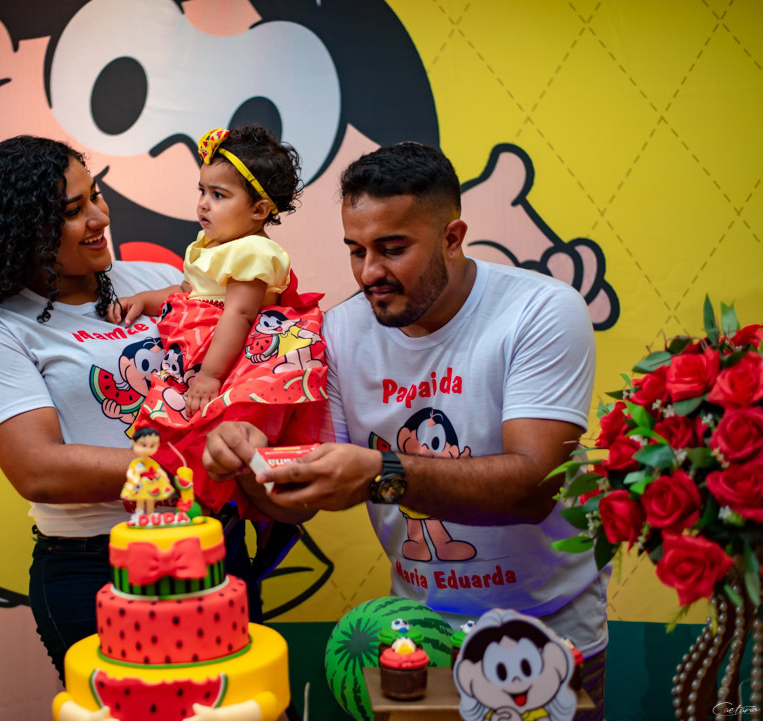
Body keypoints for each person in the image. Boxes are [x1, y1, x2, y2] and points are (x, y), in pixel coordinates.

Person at [203, 142, 609, 718]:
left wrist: (382, 473)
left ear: (452, 237)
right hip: (414, 633)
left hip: (548, 629)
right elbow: (300, 504)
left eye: (392, 249)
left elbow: (533, 487)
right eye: (356, 250)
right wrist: (251, 464)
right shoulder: (338, 332)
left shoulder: (540, 310)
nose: (370, 273)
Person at [0, 136, 306, 681]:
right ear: (23, 231)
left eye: (95, 195)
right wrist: (195, 465)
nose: (99, 217)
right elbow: (39, 470)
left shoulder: (151, 279)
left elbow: (249, 345)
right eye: (72, 211)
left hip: (211, 544)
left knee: (236, 706)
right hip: (97, 566)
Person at [107, 125, 330, 521]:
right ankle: (192, 495)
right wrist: (144, 299)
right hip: (200, 349)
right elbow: (186, 293)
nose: (203, 205)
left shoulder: (253, 251)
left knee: (219, 428)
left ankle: (219, 501)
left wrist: (210, 376)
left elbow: (239, 314)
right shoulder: (212, 246)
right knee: (186, 427)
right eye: (202, 191)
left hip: (230, 358)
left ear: (259, 210)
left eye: (219, 195)